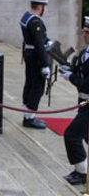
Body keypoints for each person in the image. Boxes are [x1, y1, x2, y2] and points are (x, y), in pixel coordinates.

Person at [61, 17, 89, 185]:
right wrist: (69, 69)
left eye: (88, 32)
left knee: (71, 135)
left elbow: (87, 84)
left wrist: (71, 77)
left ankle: (82, 172)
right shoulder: (85, 52)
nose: (84, 35)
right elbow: (80, 69)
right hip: (83, 102)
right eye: (85, 31)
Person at [20, 0, 51, 129]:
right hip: (35, 56)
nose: (45, 10)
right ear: (40, 7)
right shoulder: (36, 22)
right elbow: (38, 44)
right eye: (44, 7)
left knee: (30, 82)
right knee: (37, 86)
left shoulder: (26, 17)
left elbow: (38, 38)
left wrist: (47, 40)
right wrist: (45, 65)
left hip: (28, 53)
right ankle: (30, 117)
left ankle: (27, 114)